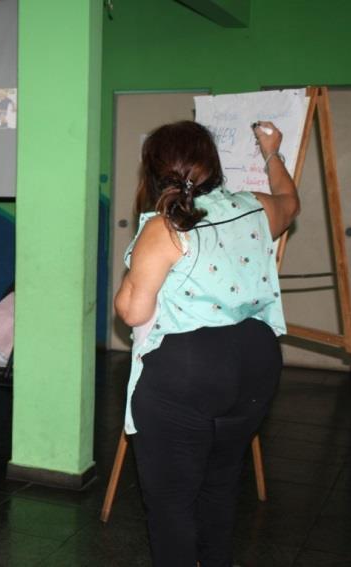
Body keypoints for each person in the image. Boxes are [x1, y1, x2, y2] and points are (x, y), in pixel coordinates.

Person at [114, 120, 299, 567]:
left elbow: (134, 312)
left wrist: (132, 273)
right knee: (220, 486)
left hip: (189, 370)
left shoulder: (164, 228)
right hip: (256, 359)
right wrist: (272, 152)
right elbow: (291, 203)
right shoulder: (255, 206)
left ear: (154, 172)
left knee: (172, 502)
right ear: (213, 165)